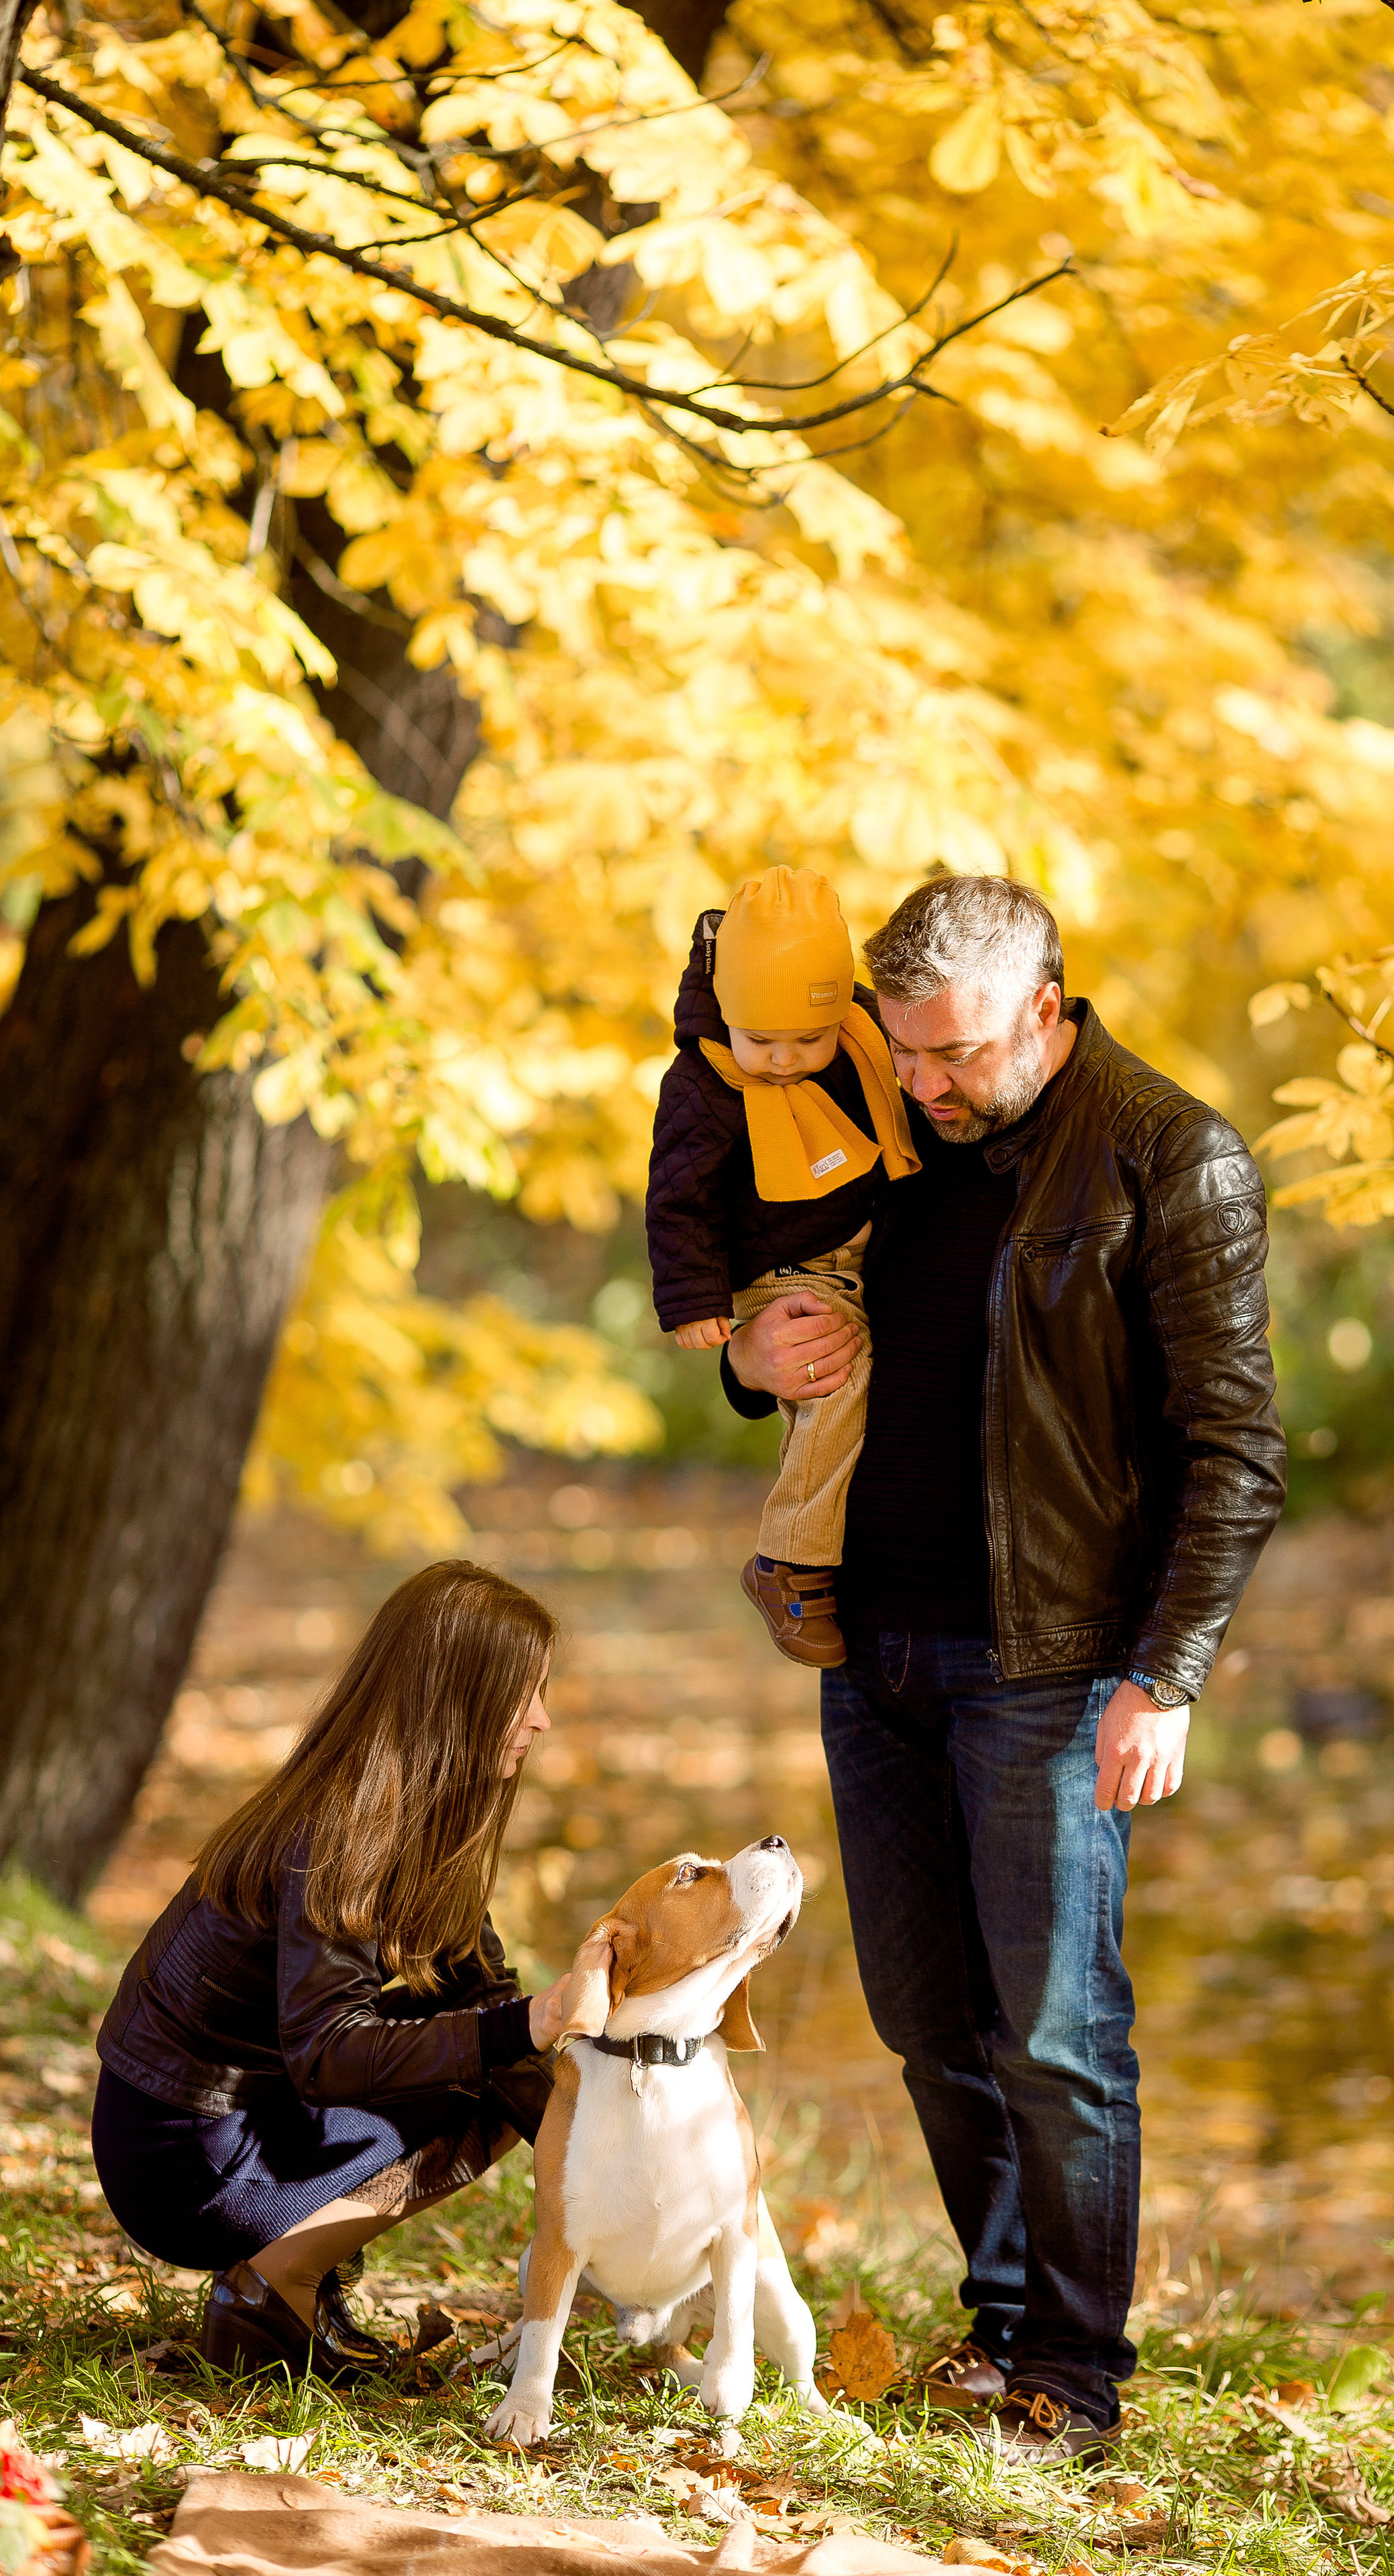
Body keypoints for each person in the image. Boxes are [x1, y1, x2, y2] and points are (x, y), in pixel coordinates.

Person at [720, 876, 1287, 2461]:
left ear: (1045, 1006)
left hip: (1046, 1659)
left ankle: (1075, 2372)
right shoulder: (890, 1138)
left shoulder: (1171, 1158)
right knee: (922, 2010)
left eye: (952, 1054)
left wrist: (1163, 1671)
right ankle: (997, 2321)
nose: (924, 1085)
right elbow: (790, 1306)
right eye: (902, 1054)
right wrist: (738, 1359)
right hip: (868, 1650)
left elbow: (1234, 1448)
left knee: (1053, 2029)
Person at [91, 1560, 585, 2379]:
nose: (540, 1718)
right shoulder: (347, 1833)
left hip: (215, 2124)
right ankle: (275, 2287)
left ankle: (289, 2279)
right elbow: (327, 2055)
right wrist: (518, 2030)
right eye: (523, 1692)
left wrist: (603, 2156)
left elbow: (485, 1996)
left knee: (505, 2067)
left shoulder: (408, 1817)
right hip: (179, 2156)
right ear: (457, 1699)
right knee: (482, 2076)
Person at [645, 866, 918, 1669]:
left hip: (855, 1245)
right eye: (761, 1041)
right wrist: (696, 1299)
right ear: (727, 1013)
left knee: (841, 1381)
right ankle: (789, 1559)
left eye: (809, 1039)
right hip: (782, 1262)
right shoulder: (702, 1085)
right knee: (836, 1374)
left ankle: (812, 1545)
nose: (783, 1062)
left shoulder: (868, 1042)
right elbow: (678, 1200)